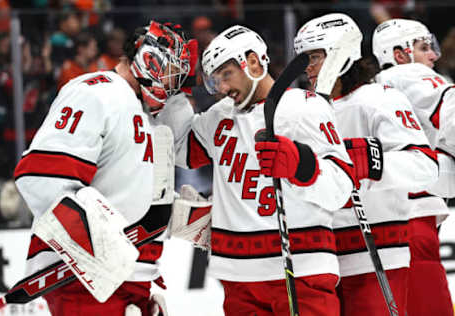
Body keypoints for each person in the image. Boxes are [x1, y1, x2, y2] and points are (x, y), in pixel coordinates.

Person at [157, 24, 356, 316]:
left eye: (226, 74)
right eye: (215, 80)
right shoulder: (219, 115)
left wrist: (301, 164)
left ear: (252, 62)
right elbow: (178, 149)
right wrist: (178, 88)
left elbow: (341, 185)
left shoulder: (303, 108)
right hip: (238, 278)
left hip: (299, 271)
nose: (222, 88)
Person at [13, 20, 192, 316]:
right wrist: (95, 240)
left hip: (132, 280)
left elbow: (126, 195)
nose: (175, 84)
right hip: (83, 280)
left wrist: (145, 270)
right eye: (173, 71)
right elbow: (41, 176)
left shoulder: (149, 116)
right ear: (150, 60)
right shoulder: (94, 92)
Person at [294, 13, 439, 316]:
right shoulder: (308, 110)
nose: (307, 67)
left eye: (315, 57)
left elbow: (425, 166)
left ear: (341, 53)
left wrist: (368, 160)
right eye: (304, 58)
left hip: (378, 254)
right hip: (323, 259)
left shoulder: (381, 98)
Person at [372, 18, 454, 316]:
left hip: (382, 225)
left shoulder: (372, 91)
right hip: (412, 224)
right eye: (423, 47)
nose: (433, 55)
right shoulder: (409, 75)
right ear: (399, 54)